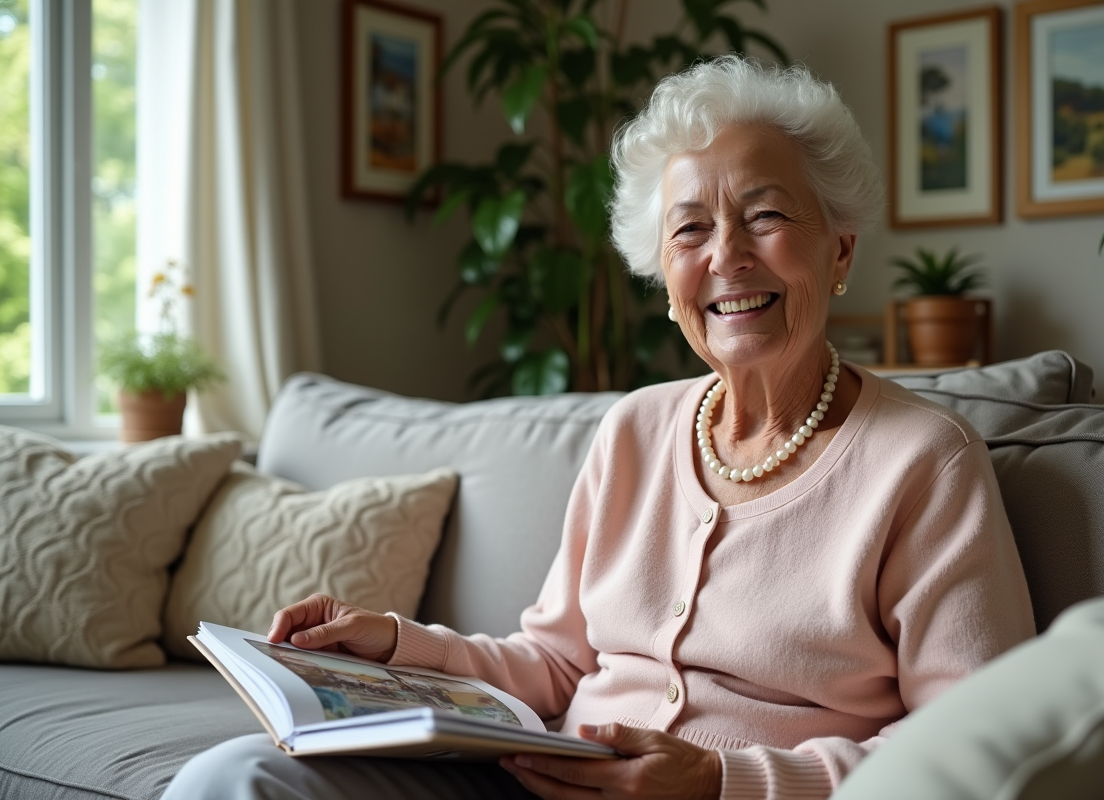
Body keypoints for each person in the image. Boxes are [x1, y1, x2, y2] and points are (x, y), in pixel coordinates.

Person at [164, 56, 1035, 800]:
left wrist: (721, 781)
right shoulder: (634, 430)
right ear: (665, 275)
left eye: (765, 217)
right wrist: (390, 645)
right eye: (690, 228)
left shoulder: (923, 461)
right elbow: (553, 668)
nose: (726, 254)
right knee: (236, 778)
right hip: (543, 775)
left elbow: (980, 748)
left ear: (839, 249)